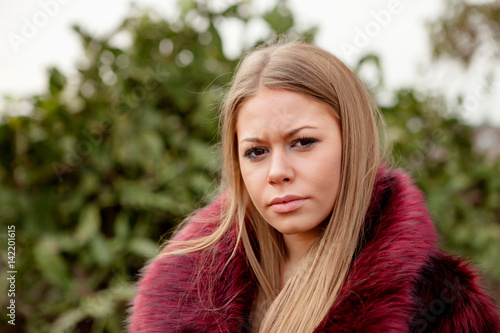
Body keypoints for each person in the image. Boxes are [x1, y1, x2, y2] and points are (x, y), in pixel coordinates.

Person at [127, 41, 499, 332]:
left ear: (353, 143)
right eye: (255, 151)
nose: (277, 172)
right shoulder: (182, 294)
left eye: (302, 142)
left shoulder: (441, 306)